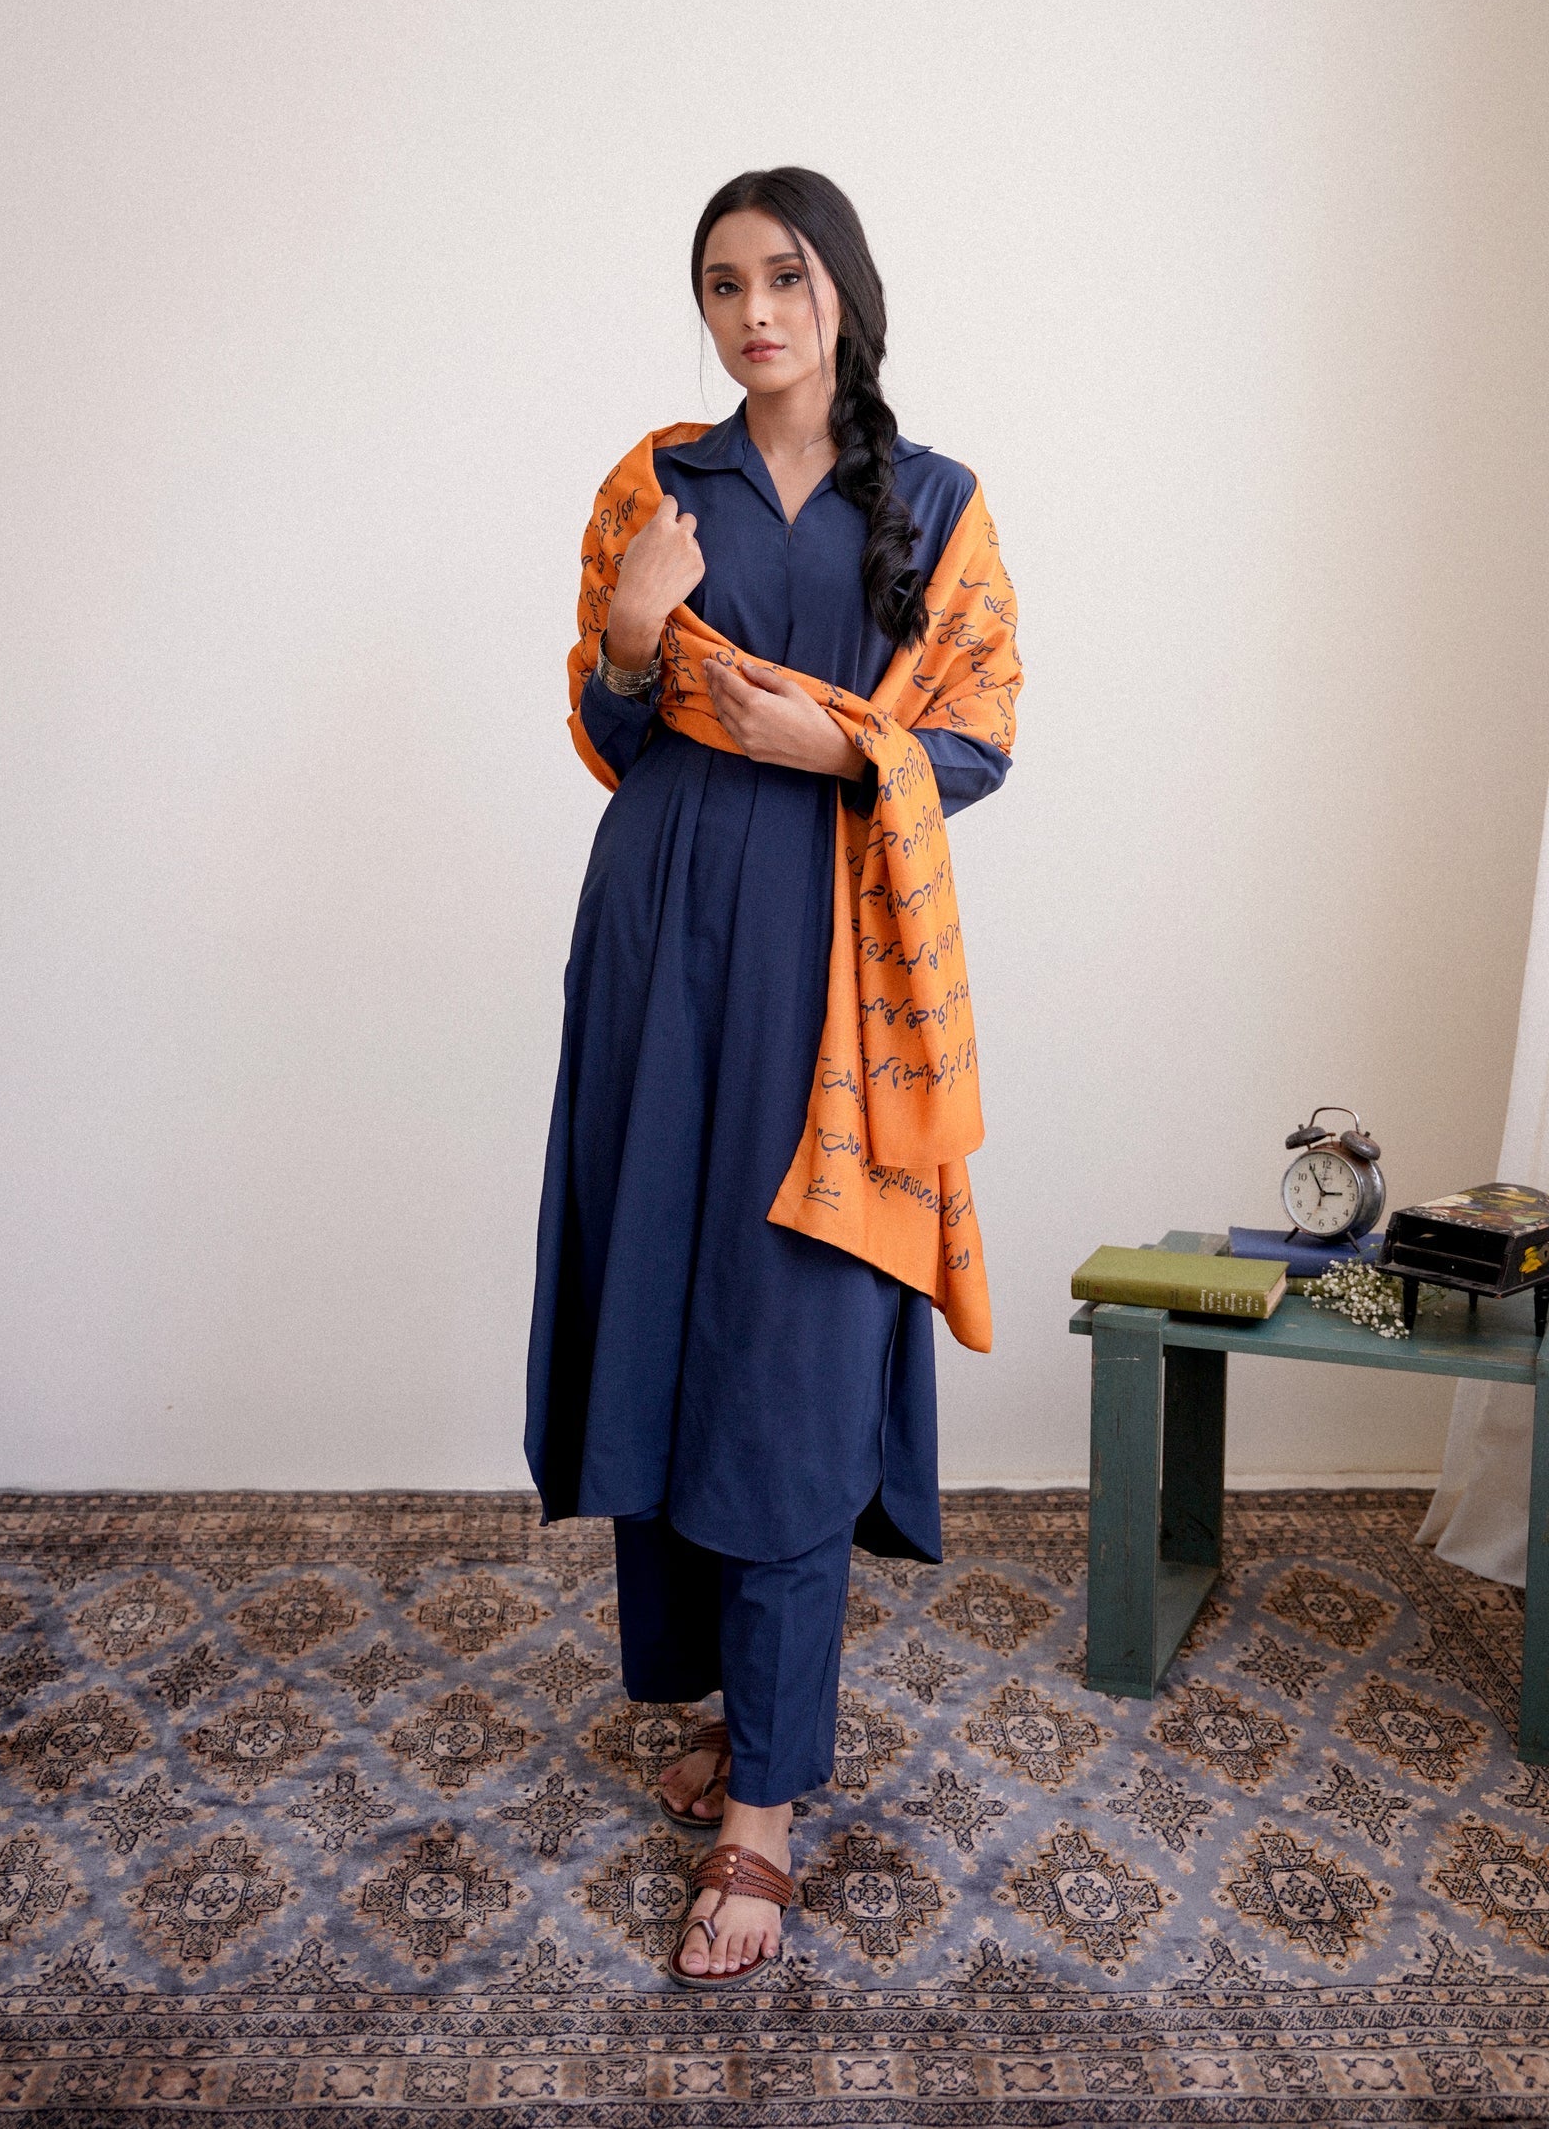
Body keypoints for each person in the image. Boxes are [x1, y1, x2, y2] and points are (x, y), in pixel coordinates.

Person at [524, 167, 1021, 1985]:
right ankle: (737, 1712)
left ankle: (763, 1815)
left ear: (842, 293)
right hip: (660, 948)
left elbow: (978, 733)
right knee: (668, 1314)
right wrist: (633, 633)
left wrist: (836, 742)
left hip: (839, 974)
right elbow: (607, 723)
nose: (753, 312)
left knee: (795, 1351)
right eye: (723, 283)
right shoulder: (654, 485)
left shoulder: (934, 502)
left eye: (785, 276)